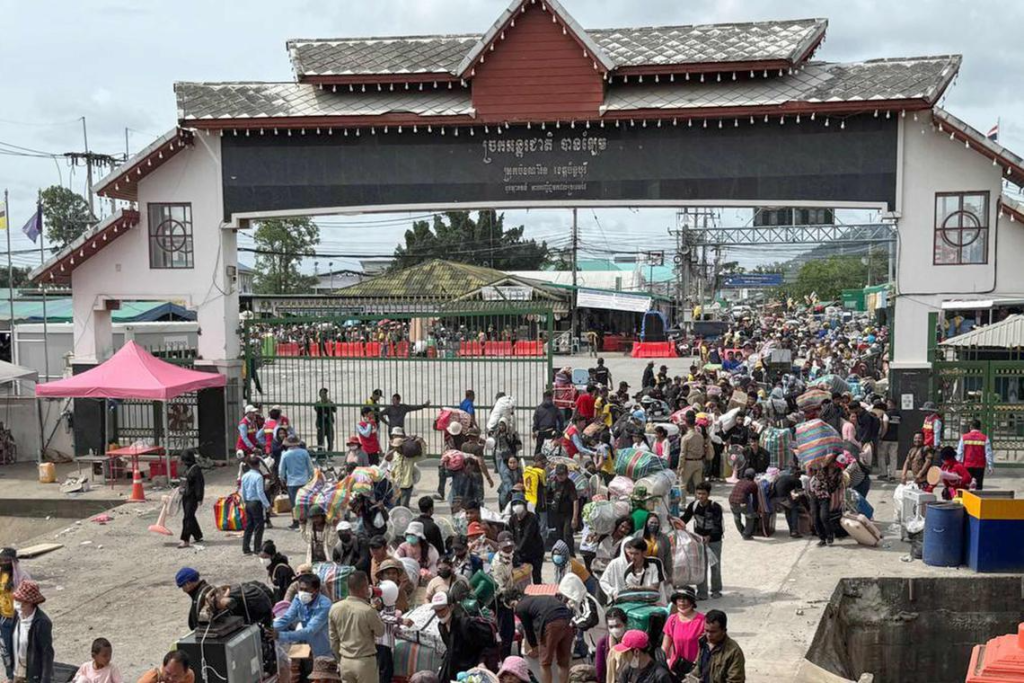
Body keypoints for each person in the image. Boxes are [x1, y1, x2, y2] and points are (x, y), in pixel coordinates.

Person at [328, 571, 383, 683]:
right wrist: (376, 610)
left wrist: (340, 659)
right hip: (364, 662)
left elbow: (333, 639)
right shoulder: (368, 610)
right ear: (364, 587)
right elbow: (380, 632)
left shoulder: (334, 608)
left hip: (345, 661)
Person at [511, 591, 574, 683]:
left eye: (512, 605)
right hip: (568, 621)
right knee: (563, 663)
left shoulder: (520, 607)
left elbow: (528, 629)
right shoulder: (538, 598)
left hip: (551, 624)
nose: (514, 609)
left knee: (545, 663)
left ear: (515, 600)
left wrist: (535, 648)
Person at [433, 592, 496, 683]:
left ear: (451, 607)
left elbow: (487, 643)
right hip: (453, 670)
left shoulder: (466, 624)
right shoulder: (441, 626)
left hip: (470, 670)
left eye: (442, 609)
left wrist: (482, 662)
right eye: (436, 611)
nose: (439, 614)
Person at [273, 573, 333, 658]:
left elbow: (309, 631)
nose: (302, 593)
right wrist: (270, 629)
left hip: (324, 650)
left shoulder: (324, 605)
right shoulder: (298, 599)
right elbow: (287, 618)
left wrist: (279, 635)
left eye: (306, 590)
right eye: (301, 589)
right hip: (309, 646)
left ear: (316, 591)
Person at [681, 482, 724, 600]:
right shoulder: (693, 506)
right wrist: (675, 522)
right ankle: (702, 592)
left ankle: (716, 590)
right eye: (698, 493)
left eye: (703, 494)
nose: (701, 496)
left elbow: (718, 525)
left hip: (714, 541)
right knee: (701, 566)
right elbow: (685, 518)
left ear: (708, 494)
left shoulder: (715, 507)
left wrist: (709, 536)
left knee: (715, 566)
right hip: (699, 541)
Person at [599, 538, 667, 604]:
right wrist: (613, 592)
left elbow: (655, 588)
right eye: (631, 553)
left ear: (643, 553)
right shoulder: (627, 571)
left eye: (636, 554)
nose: (633, 557)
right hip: (639, 605)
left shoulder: (655, 563)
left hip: (658, 603)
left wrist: (638, 588)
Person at [11, 580, 53, 683]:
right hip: (18, 670)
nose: (19, 605)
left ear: (31, 603)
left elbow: (47, 653)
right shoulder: (17, 615)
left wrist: (45, 679)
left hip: (33, 674)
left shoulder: (42, 622)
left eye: (23, 602)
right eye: (18, 600)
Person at [692, 610, 746, 683]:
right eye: (706, 630)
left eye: (713, 632)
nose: (708, 635)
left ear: (724, 631)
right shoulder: (702, 642)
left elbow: (735, 680)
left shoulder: (733, 651)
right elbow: (699, 668)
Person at [0, 548, 29, 681]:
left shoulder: (22, 577)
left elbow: (30, 599)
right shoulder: (1, 575)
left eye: (6, 560)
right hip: (4, 619)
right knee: (6, 651)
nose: (3, 563)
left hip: (18, 619)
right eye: (2, 560)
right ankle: (11, 677)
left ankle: (22, 677)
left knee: (20, 650)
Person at [662, 589, 705, 676]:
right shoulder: (672, 620)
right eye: (679, 598)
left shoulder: (702, 621)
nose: (682, 601)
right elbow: (665, 647)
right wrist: (663, 665)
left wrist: (696, 667)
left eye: (685, 598)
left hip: (696, 669)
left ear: (691, 601)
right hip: (675, 669)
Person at [557, 573, 600, 660]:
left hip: (599, 639)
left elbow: (589, 620)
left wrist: (573, 622)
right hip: (592, 641)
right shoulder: (577, 602)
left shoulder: (587, 601)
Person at [279, 436, 314, 530]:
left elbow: (281, 470)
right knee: (305, 501)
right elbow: (310, 467)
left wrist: (282, 479)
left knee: (294, 503)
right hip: (304, 481)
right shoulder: (304, 452)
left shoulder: (285, 454)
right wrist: (311, 476)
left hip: (292, 482)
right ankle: (306, 521)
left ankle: (296, 522)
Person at [509, 493, 545, 583]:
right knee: (519, 576)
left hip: (535, 552)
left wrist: (517, 550)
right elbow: (511, 534)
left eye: (519, 503)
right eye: (515, 503)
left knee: (536, 576)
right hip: (520, 553)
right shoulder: (512, 519)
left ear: (524, 504)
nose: (517, 505)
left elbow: (527, 536)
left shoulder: (532, 518)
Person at [809, 458, 844, 547]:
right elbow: (815, 478)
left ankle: (829, 537)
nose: (836, 465)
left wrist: (826, 484)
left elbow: (834, 487)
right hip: (814, 495)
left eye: (838, 464)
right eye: (835, 463)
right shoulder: (822, 468)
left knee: (824, 517)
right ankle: (822, 538)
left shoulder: (839, 474)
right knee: (815, 518)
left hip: (825, 497)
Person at [240, 457, 271, 555]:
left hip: (248, 502)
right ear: (258, 465)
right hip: (256, 503)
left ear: (249, 465)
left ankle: (246, 548)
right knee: (259, 526)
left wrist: (244, 501)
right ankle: (257, 548)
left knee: (249, 526)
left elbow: (243, 491)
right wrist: (267, 504)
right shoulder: (258, 477)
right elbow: (260, 492)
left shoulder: (245, 476)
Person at [549, 463, 580, 555]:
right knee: (558, 535)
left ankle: (571, 555)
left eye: (562, 474)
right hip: (557, 513)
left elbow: (575, 500)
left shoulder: (570, 484)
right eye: (558, 474)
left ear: (567, 474)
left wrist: (575, 517)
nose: (560, 476)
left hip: (568, 514)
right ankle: (561, 554)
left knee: (567, 535)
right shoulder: (553, 482)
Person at [635, 514, 673, 583]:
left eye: (656, 523)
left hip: (658, 570)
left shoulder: (664, 538)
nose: (653, 525)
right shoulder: (638, 535)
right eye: (651, 522)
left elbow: (668, 557)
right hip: (640, 569)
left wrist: (670, 574)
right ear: (646, 523)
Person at [178, 449, 204, 549]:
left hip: (192, 497)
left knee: (187, 518)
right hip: (186, 496)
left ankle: (185, 540)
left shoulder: (196, 469)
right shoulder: (187, 468)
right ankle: (197, 535)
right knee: (190, 516)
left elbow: (199, 485)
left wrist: (199, 498)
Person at [679, 413, 712, 494]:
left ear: (686, 424)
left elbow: (682, 453)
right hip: (699, 462)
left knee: (683, 484)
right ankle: (698, 500)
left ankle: (683, 501)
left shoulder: (686, 438)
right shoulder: (700, 436)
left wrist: (680, 466)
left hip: (688, 462)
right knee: (698, 485)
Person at [957, 419, 994, 490]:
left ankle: (966, 497)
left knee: (965, 485)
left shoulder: (964, 437)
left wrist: (958, 464)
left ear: (970, 427)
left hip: (967, 465)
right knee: (978, 486)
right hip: (980, 465)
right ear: (980, 427)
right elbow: (988, 453)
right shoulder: (984, 438)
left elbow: (960, 452)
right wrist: (990, 466)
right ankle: (978, 496)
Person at [595, 607, 628, 683]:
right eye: (611, 627)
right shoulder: (603, 643)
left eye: (617, 626)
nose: (615, 630)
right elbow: (600, 671)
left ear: (625, 624)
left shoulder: (631, 641)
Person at [770, 468, 805, 538]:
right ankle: (794, 531)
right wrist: (805, 506)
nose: (800, 476)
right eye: (799, 474)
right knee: (794, 509)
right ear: (796, 474)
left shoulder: (783, 477)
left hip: (776, 498)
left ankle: (791, 530)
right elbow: (800, 494)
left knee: (788, 510)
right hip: (783, 498)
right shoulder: (797, 480)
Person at [728, 469, 759, 541]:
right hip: (742, 503)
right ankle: (746, 534)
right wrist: (755, 510)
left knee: (736, 517)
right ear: (753, 476)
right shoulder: (753, 484)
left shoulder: (739, 481)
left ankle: (742, 532)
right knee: (750, 517)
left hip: (731, 501)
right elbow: (755, 499)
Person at [533, 391, 565, 455]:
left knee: (538, 450)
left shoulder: (538, 408)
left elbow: (535, 420)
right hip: (552, 432)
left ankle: (537, 459)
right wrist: (560, 431)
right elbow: (561, 420)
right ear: (551, 397)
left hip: (541, 432)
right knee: (555, 450)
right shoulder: (555, 408)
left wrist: (535, 430)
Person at [877, 399, 900, 480]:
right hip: (895, 438)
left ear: (890, 404)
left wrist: (881, 436)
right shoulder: (898, 414)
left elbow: (885, 426)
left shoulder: (886, 414)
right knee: (893, 457)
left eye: (887, 403)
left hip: (886, 438)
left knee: (882, 456)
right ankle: (892, 475)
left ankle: (883, 473)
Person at [314, 388, 337, 452]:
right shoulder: (317, 403)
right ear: (320, 395)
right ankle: (320, 453)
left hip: (329, 423)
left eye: (325, 393)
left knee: (330, 440)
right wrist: (323, 404)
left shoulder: (330, 402)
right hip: (321, 424)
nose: (324, 395)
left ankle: (329, 453)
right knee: (320, 440)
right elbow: (317, 409)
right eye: (323, 393)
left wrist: (330, 404)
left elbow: (335, 410)